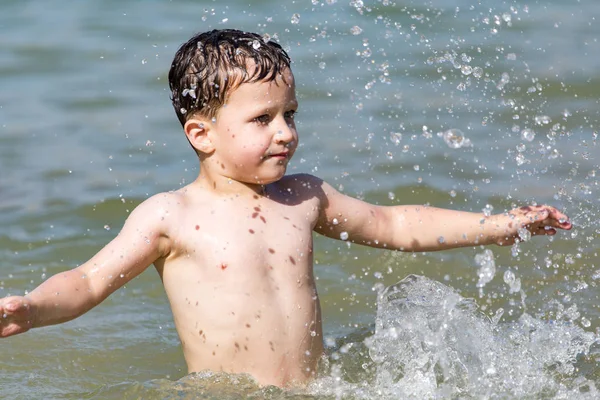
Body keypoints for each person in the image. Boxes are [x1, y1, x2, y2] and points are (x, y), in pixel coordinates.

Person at [0, 29, 572, 388]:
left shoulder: (302, 197)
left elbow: (394, 223)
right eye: (262, 119)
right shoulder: (170, 216)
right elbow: (88, 280)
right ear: (201, 133)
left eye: (290, 114)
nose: (285, 133)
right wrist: (30, 308)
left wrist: (498, 226)